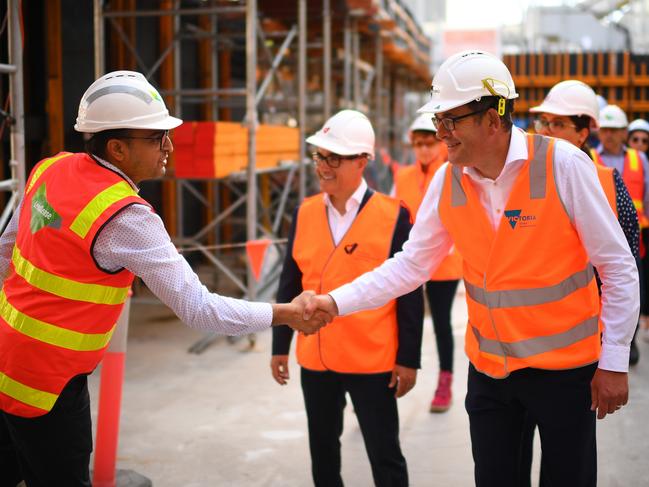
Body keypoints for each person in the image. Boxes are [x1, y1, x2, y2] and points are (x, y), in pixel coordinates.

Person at [304, 50, 639, 487]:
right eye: (438, 121)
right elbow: (409, 266)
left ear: (494, 117)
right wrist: (335, 301)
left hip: (563, 374)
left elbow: (617, 267)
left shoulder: (564, 166)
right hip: (491, 372)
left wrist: (614, 361)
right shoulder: (448, 180)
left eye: (449, 120)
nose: (440, 132)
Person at [0, 70, 329, 487]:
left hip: (6, 359)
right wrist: (284, 313)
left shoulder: (50, 169)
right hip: (49, 385)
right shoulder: (126, 216)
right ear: (117, 148)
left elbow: (4, 252)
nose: (169, 146)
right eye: (156, 137)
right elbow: (200, 307)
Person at [270, 109, 423, 487]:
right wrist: (279, 346)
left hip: (371, 359)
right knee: (323, 452)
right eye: (320, 156)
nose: (323, 166)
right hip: (316, 358)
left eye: (333, 158)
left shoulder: (394, 216)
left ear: (362, 162)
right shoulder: (303, 213)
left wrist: (408, 359)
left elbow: (409, 292)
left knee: (384, 453)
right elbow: (289, 283)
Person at [519, 79, 640, 487]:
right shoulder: (521, 175)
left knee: (567, 467)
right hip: (517, 346)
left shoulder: (607, 181)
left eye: (556, 124)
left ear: (583, 131)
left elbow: (621, 268)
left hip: (578, 346)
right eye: (543, 123)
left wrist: (613, 352)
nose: (546, 132)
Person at [392, 114, 460, 412]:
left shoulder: (454, 171)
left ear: (440, 142)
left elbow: (460, 218)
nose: (424, 150)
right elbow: (394, 214)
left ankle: (445, 382)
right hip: (412, 259)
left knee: (442, 323)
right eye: (418, 144)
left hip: (446, 262)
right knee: (405, 319)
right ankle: (392, 375)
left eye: (429, 142)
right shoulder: (403, 176)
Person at [591, 104, 649, 364]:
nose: (610, 135)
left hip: (633, 237)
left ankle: (630, 338)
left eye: (615, 130)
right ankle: (603, 338)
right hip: (599, 238)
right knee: (600, 292)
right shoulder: (588, 157)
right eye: (605, 130)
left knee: (632, 291)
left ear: (624, 131)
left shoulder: (639, 159)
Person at [627, 118, 649, 341]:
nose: (640, 143)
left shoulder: (640, 160)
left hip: (640, 231)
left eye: (645, 140)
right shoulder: (594, 155)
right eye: (636, 139)